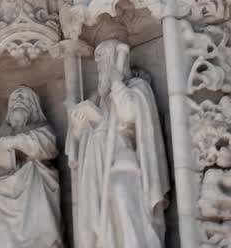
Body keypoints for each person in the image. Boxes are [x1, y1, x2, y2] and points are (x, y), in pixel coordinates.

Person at [70, 40, 170, 248]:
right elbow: (91, 141)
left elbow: (129, 113)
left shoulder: (137, 88)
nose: (99, 72)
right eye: (98, 68)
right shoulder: (101, 100)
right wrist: (81, 129)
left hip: (127, 165)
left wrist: (117, 84)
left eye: (102, 66)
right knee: (99, 209)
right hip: (100, 168)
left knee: (120, 193)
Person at [0, 87, 63, 248]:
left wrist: (14, 142)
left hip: (32, 187)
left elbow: (48, 146)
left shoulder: (42, 129)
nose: (18, 101)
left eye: (24, 99)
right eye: (15, 100)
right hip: (0, 186)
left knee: (33, 169)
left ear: (33, 106)